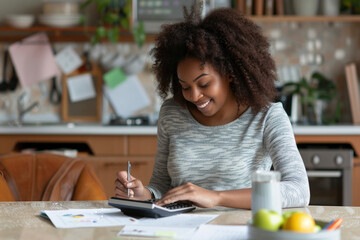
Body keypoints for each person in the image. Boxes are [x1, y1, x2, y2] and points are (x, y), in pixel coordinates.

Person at [115, 4, 310, 209]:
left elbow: (298, 190)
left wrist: (216, 197)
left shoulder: (267, 117)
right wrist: (144, 194)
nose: (194, 96)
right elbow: (161, 186)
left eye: (204, 84)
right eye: (184, 87)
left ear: (230, 73)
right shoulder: (172, 113)